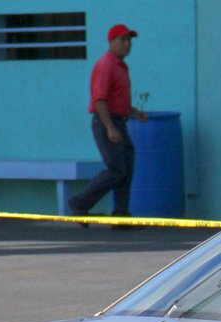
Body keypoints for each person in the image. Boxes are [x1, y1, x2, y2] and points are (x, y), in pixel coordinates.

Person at [68, 24, 148, 220]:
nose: (127, 44)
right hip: (106, 123)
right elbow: (100, 100)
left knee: (126, 169)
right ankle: (79, 203)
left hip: (120, 121)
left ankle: (121, 216)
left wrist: (134, 111)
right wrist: (110, 128)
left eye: (129, 40)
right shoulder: (106, 65)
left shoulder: (121, 66)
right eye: (122, 40)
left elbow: (116, 99)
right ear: (111, 42)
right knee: (117, 169)